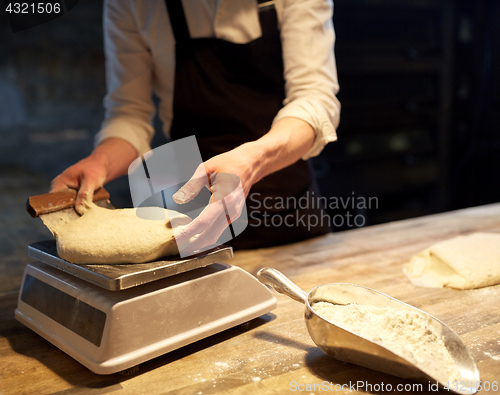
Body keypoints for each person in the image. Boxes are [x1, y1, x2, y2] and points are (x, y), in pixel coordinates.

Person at [50, 0, 341, 250]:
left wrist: (254, 160)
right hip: (192, 216)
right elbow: (131, 112)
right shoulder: (132, 4)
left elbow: (315, 99)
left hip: (287, 212)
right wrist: (99, 162)